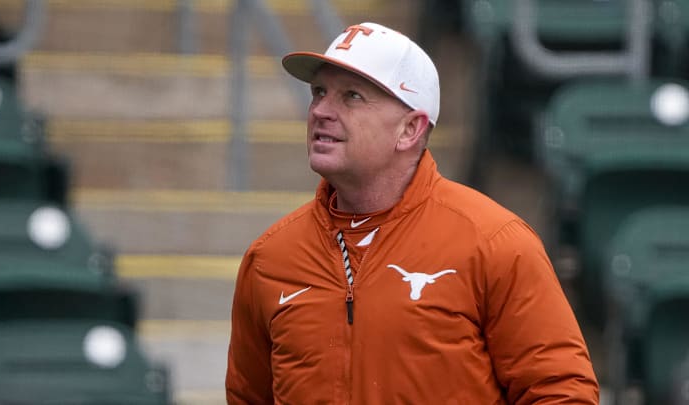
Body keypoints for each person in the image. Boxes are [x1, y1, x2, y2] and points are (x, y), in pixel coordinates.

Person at [226, 22, 599, 404]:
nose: (321, 110)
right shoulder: (269, 259)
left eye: (351, 96)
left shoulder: (493, 241)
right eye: (319, 92)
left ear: (410, 129)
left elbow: (561, 391)